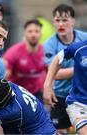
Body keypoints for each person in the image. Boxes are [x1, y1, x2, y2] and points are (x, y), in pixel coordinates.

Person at [43, 4, 87, 134]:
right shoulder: (49, 45)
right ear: (53, 23)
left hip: (81, 93)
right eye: (57, 20)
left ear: (73, 21)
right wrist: (47, 85)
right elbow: (56, 73)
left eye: (65, 20)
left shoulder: (84, 37)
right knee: (60, 131)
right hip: (61, 95)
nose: (61, 24)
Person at [3, 19, 46, 103]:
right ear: (25, 33)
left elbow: (50, 73)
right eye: (30, 31)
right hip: (16, 93)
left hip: (36, 94)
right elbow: (4, 74)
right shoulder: (14, 51)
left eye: (36, 31)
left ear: (41, 34)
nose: (33, 34)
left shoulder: (46, 52)